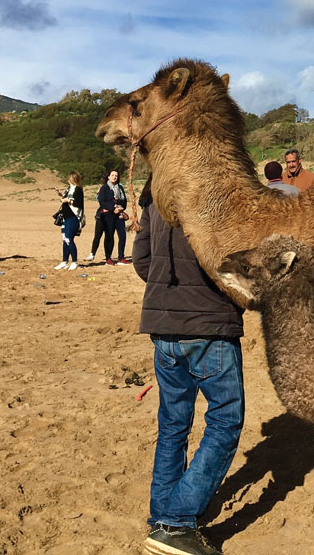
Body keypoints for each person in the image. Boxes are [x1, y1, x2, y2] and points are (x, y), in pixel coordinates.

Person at [133, 187, 244, 555]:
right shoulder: (213, 187)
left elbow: (142, 261)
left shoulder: (155, 192)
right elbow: (233, 263)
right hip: (208, 325)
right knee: (225, 420)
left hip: (162, 323)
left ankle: (162, 519)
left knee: (173, 424)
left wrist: (172, 290)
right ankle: (177, 524)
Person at [89, 169, 129, 265]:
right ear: (108, 176)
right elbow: (102, 202)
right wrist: (112, 208)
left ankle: (121, 258)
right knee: (109, 236)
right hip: (108, 215)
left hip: (119, 215)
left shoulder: (120, 188)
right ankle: (108, 258)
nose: (114, 177)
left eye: (116, 175)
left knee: (122, 235)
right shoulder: (104, 188)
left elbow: (124, 201)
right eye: (112, 175)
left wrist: (121, 208)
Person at [56, 171, 84, 271]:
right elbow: (65, 199)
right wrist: (61, 195)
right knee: (65, 239)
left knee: (69, 239)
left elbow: (78, 203)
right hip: (66, 217)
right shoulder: (69, 189)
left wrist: (68, 200)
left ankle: (74, 261)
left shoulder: (77, 189)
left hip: (73, 218)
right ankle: (64, 261)